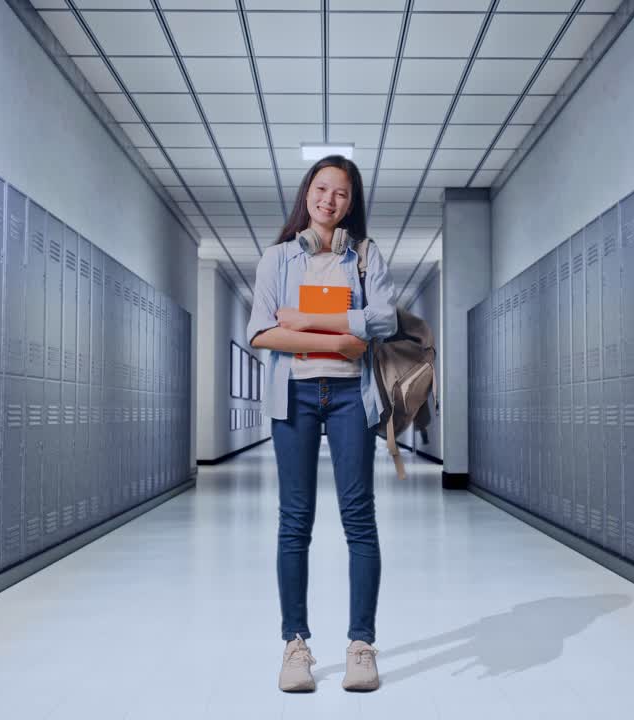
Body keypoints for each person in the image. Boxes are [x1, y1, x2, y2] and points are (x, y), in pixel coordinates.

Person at [247, 155, 398, 693]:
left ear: (351, 203)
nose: (328, 200)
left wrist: (306, 321)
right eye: (320, 188)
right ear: (306, 193)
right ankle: (295, 645)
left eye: (340, 193)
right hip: (297, 397)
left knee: (359, 519)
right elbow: (262, 334)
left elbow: (385, 319)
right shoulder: (278, 259)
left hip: (351, 398)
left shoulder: (365, 256)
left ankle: (361, 645)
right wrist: (340, 340)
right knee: (296, 521)